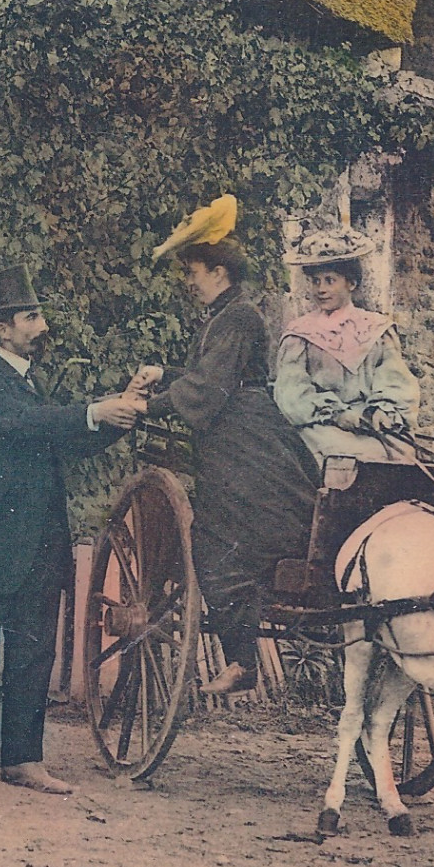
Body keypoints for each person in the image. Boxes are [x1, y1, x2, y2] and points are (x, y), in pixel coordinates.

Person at [0, 265, 142, 795]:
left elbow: (62, 437)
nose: (41, 327)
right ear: (3, 329)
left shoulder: (30, 387)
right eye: (31, 316)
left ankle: (22, 760)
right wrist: (92, 411)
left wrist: (119, 413)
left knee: (33, 651)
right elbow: (27, 427)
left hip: (41, 543)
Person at [130, 234, 319, 696]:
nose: (189, 283)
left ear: (219, 273)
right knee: (240, 536)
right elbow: (211, 379)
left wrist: (149, 408)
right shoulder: (225, 317)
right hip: (240, 437)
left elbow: (211, 389)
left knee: (219, 543)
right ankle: (241, 656)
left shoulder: (238, 317)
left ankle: (240, 659)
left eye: (193, 273)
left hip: (245, 443)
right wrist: (165, 376)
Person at [272, 226, 434, 571]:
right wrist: (336, 414)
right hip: (318, 427)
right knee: (348, 461)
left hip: (370, 426)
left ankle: (401, 552)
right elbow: (292, 393)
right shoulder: (300, 334)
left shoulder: (376, 330)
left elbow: (393, 379)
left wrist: (384, 411)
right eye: (316, 281)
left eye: (330, 280)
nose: (321, 289)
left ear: (351, 283)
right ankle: (334, 549)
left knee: (404, 460)